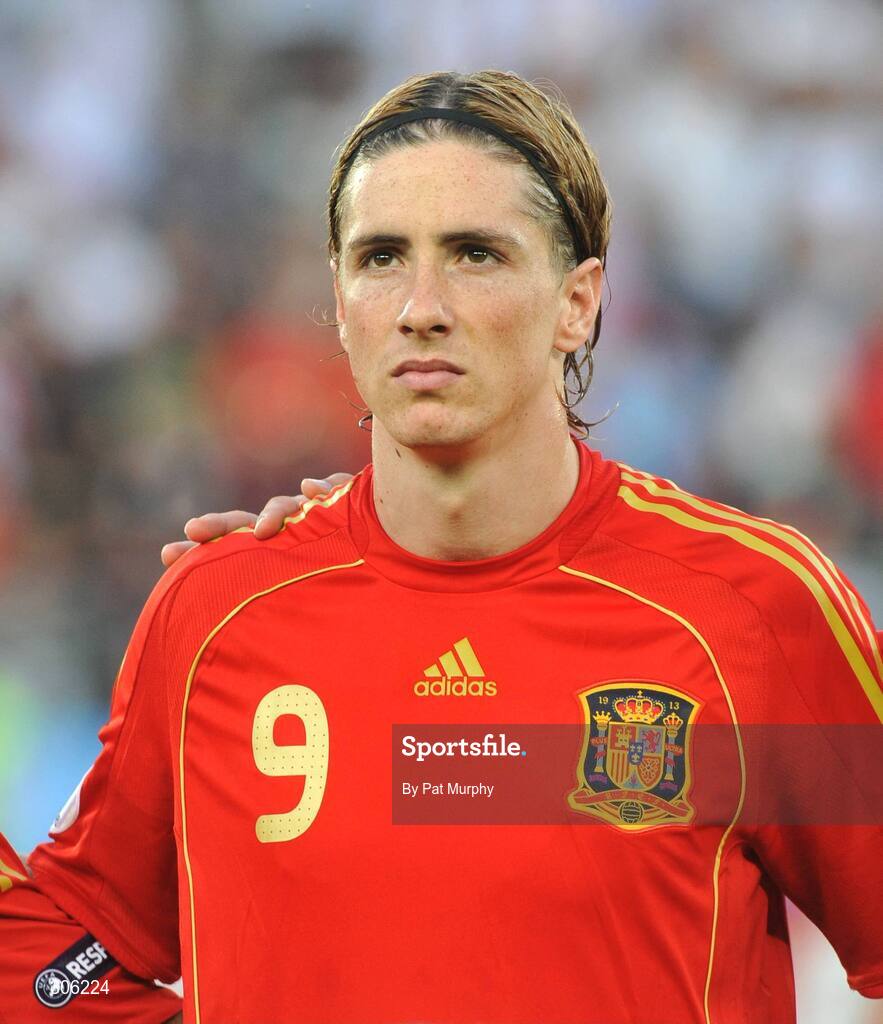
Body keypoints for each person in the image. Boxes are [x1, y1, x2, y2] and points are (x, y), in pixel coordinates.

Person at [1, 68, 881, 1024]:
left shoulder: (749, 611)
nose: (422, 303)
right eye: (381, 257)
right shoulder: (218, 614)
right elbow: (61, 953)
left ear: (578, 302)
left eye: (474, 254)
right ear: (339, 302)